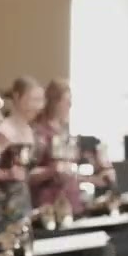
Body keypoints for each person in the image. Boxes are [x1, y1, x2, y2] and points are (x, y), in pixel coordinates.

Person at [0, 76, 44, 223]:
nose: (37, 106)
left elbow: (28, 171)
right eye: (33, 100)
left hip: (23, 202)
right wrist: (7, 174)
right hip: (0, 204)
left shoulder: (31, 132)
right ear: (17, 97)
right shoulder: (3, 130)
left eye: (40, 100)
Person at [29, 79, 85, 217]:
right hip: (48, 208)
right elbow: (27, 174)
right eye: (66, 101)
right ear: (54, 102)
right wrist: (52, 171)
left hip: (71, 204)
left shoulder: (65, 131)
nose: (70, 105)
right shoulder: (37, 132)